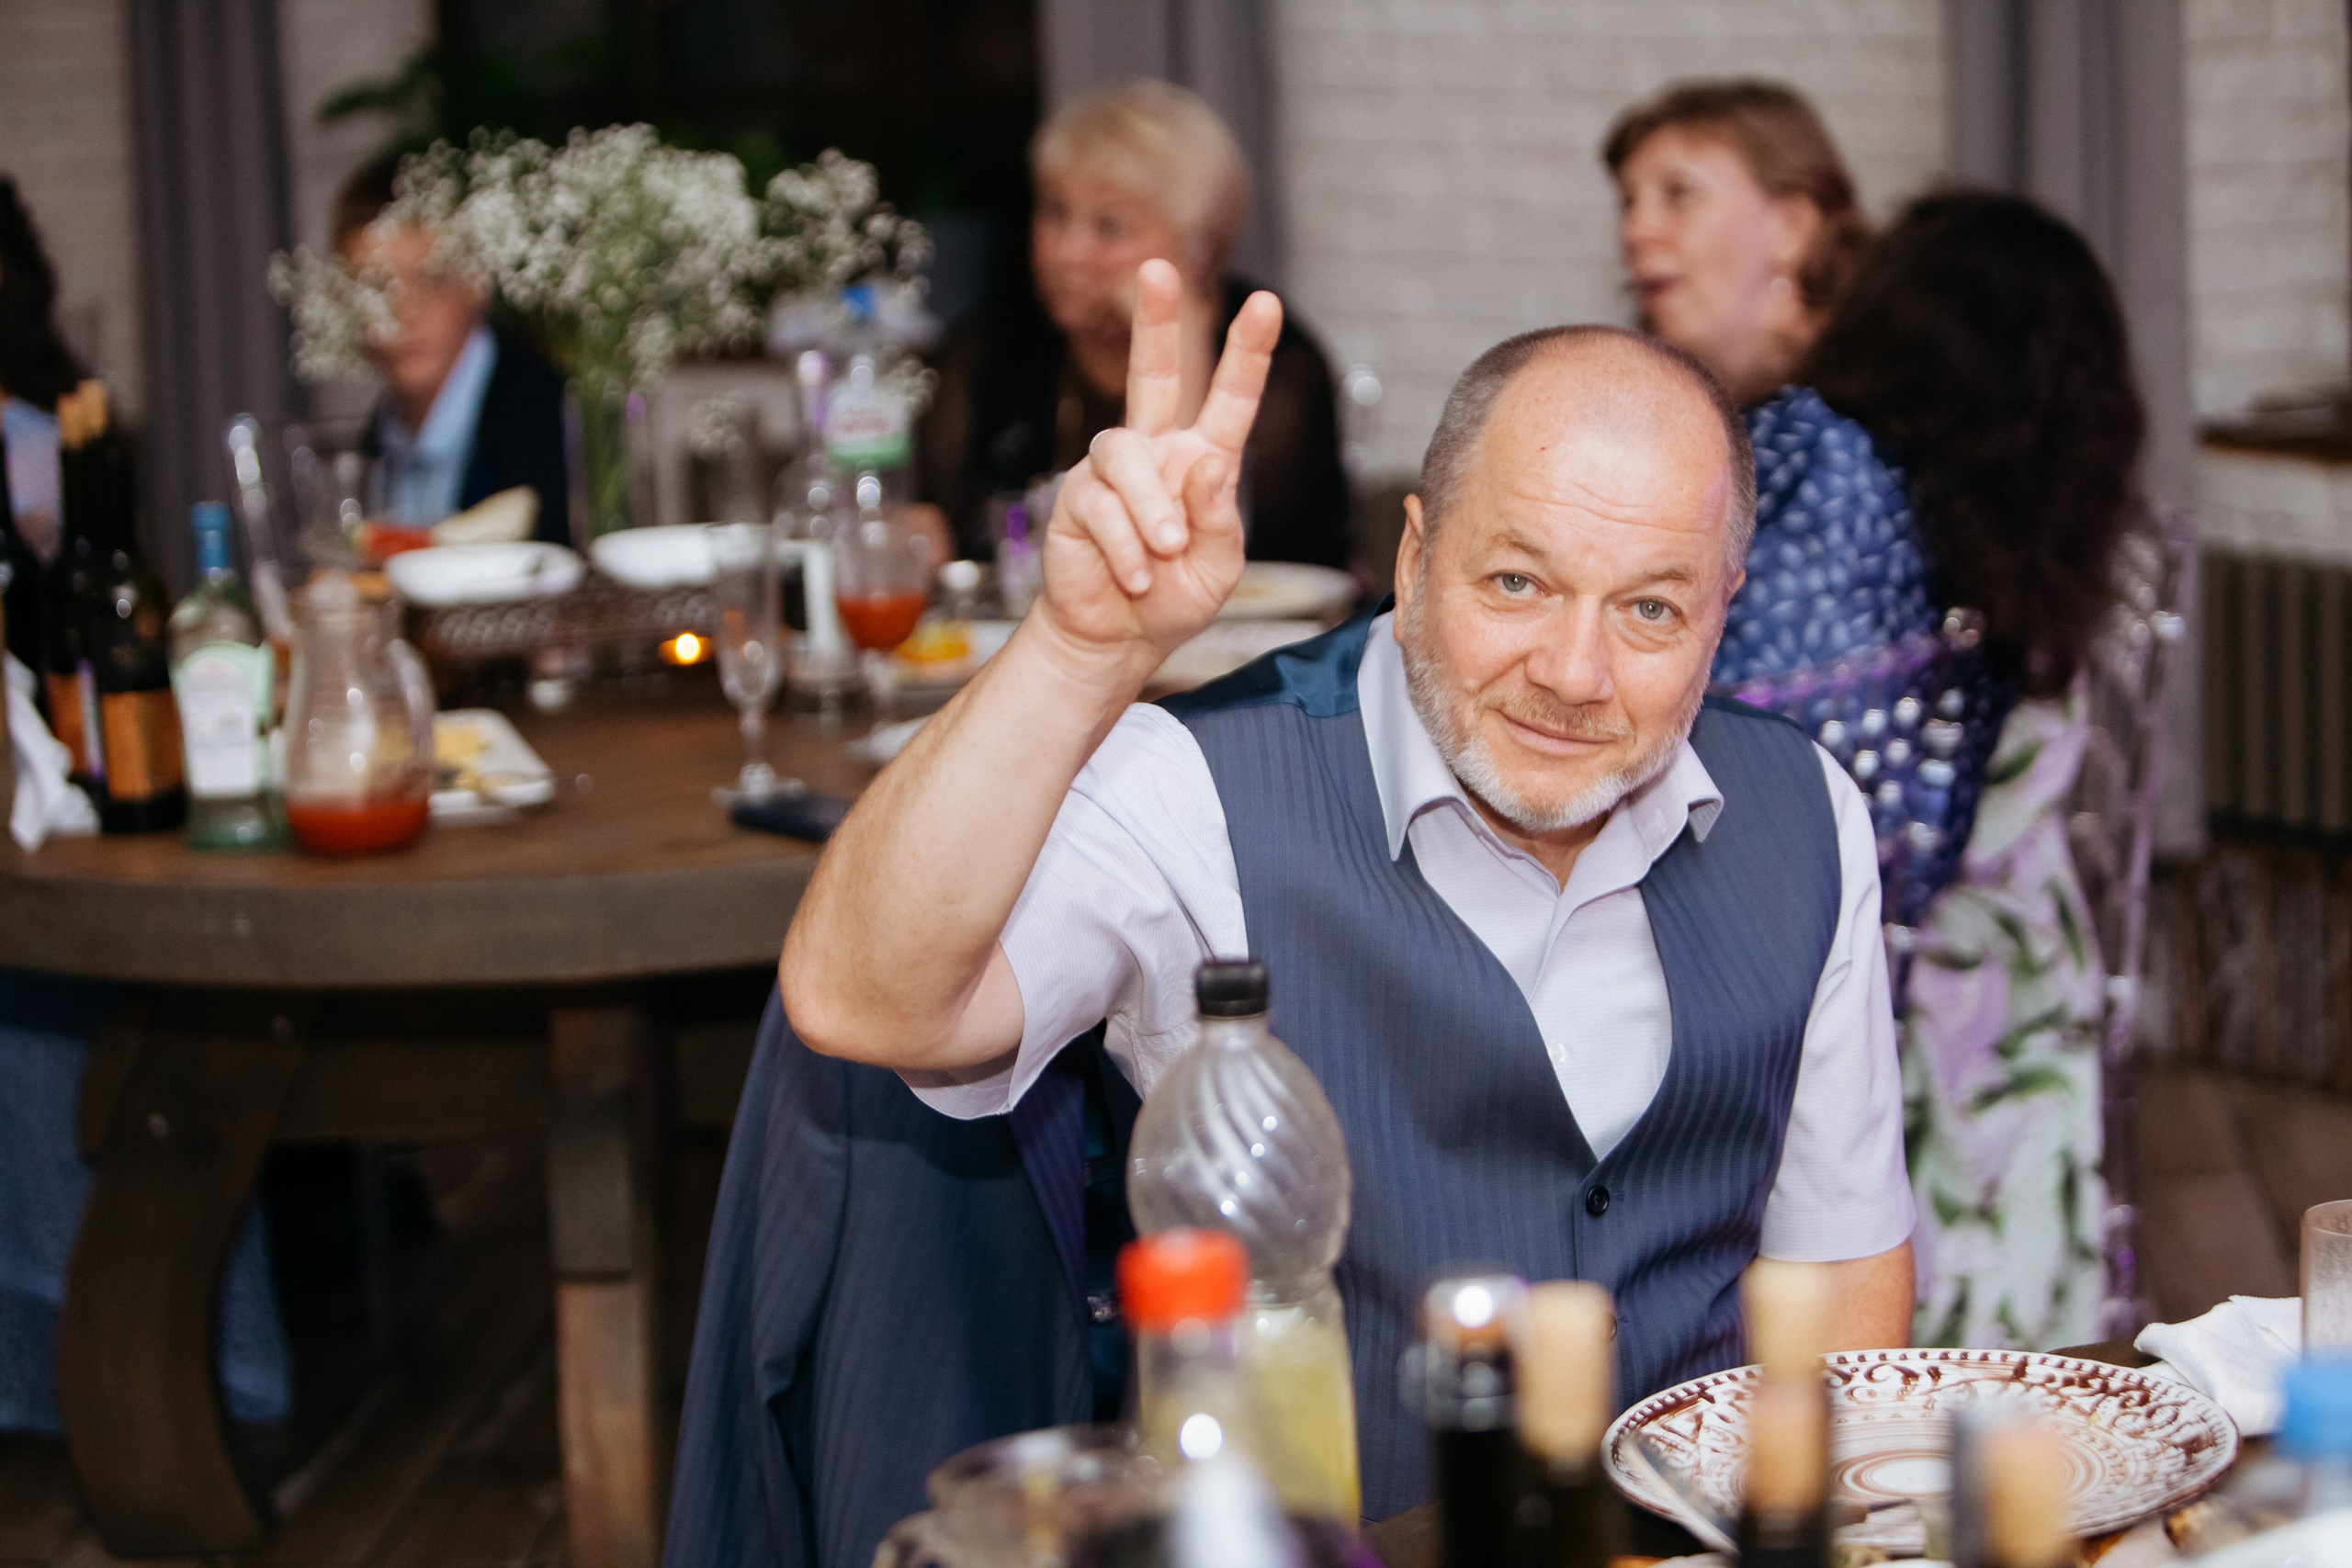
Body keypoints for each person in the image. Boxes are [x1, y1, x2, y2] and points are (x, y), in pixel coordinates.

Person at [780, 261, 1915, 1519]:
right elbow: (861, 999)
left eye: (1651, 608)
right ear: (1416, 554)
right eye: (1517, 581)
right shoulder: (1197, 787)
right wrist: (1076, 648)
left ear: (1724, 612)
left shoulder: (1809, 815)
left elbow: (1842, 1268)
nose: (1575, 671)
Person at [1787, 193, 2147, 1350]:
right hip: (2032, 980)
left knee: (1905, 1363)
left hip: (1914, 989)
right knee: (2014, 1363)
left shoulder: (1854, 533)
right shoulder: (2038, 535)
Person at [914, 81, 1352, 569]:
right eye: (1056, 212)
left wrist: (1177, 321)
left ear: (1197, 247)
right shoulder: (993, 342)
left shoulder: (1273, 363)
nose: (1068, 253)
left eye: (1110, 227)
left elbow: (1188, 544)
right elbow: (948, 527)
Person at [334, 155, 571, 543]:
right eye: (377, 288)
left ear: (476, 281)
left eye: (429, 279)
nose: (404, 313)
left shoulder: (552, 422)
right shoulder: (376, 439)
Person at [1605, 79, 1872, 407]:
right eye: (1628, 202)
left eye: (1680, 193)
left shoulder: (1862, 424)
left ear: (1790, 227)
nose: (1634, 231)